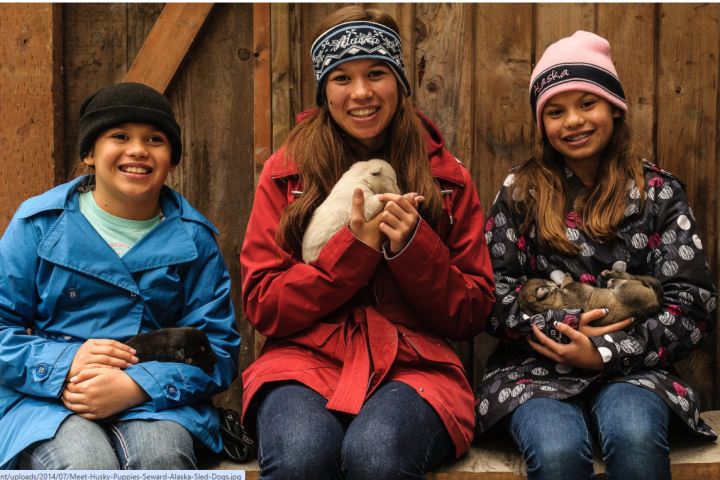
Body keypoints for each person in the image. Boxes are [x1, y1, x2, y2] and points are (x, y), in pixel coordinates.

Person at [240, 6, 494, 479]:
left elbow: (473, 312)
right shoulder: (286, 173)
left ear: (399, 80)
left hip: (416, 365)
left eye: (376, 73)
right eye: (341, 77)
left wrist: (413, 250)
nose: (361, 93)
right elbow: (263, 304)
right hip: (303, 360)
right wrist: (353, 251)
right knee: (300, 456)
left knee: (378, 456)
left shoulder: (447, 180)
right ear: (324, 90)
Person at [475, 31, 718, 480]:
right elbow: (492, 293)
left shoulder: (658, 194)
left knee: (636, 435)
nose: (573, 121)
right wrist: (562, 328)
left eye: (587, 103)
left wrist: (605, 350)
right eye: (555, 110)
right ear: (541, 122)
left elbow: (693, 306)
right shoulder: (520, 190)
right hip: (533, 371)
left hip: (634, 369)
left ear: (614, 107)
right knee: (557, 451)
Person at [0, 82, 240, 470]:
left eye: (155, 139)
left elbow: (219, 349)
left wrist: (138, 385)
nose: (138, 149)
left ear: (172, 160)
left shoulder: (193, 238)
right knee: (82, 462)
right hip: (47, 398)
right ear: (89, 154)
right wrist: (66, 361)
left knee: (161, 457)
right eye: (120, 136)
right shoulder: (39, 225)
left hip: (159, 400)